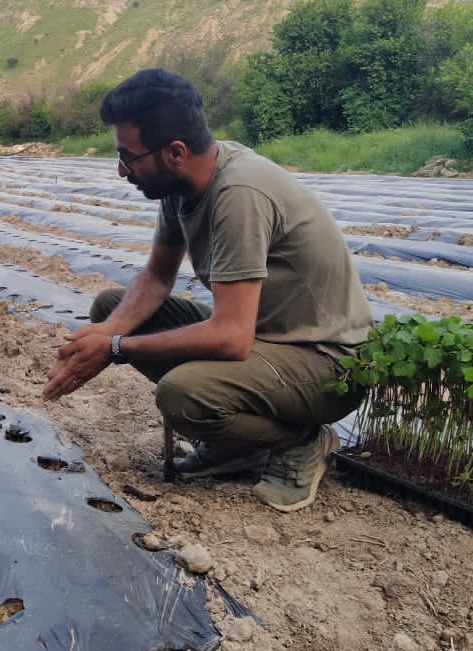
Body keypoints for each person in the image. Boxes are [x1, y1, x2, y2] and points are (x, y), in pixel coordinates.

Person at [43, 69, 372, 512]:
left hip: (326, 363)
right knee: (110, 308)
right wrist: (107, 333)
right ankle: (237, 445)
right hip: (265, 338)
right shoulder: (179, 184)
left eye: (128, 157)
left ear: (175, 152)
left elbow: (231, 337)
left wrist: (116, 349)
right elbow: (157, 277)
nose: (121, 171)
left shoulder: (239, 193)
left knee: (182, 395)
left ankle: (302, 440)